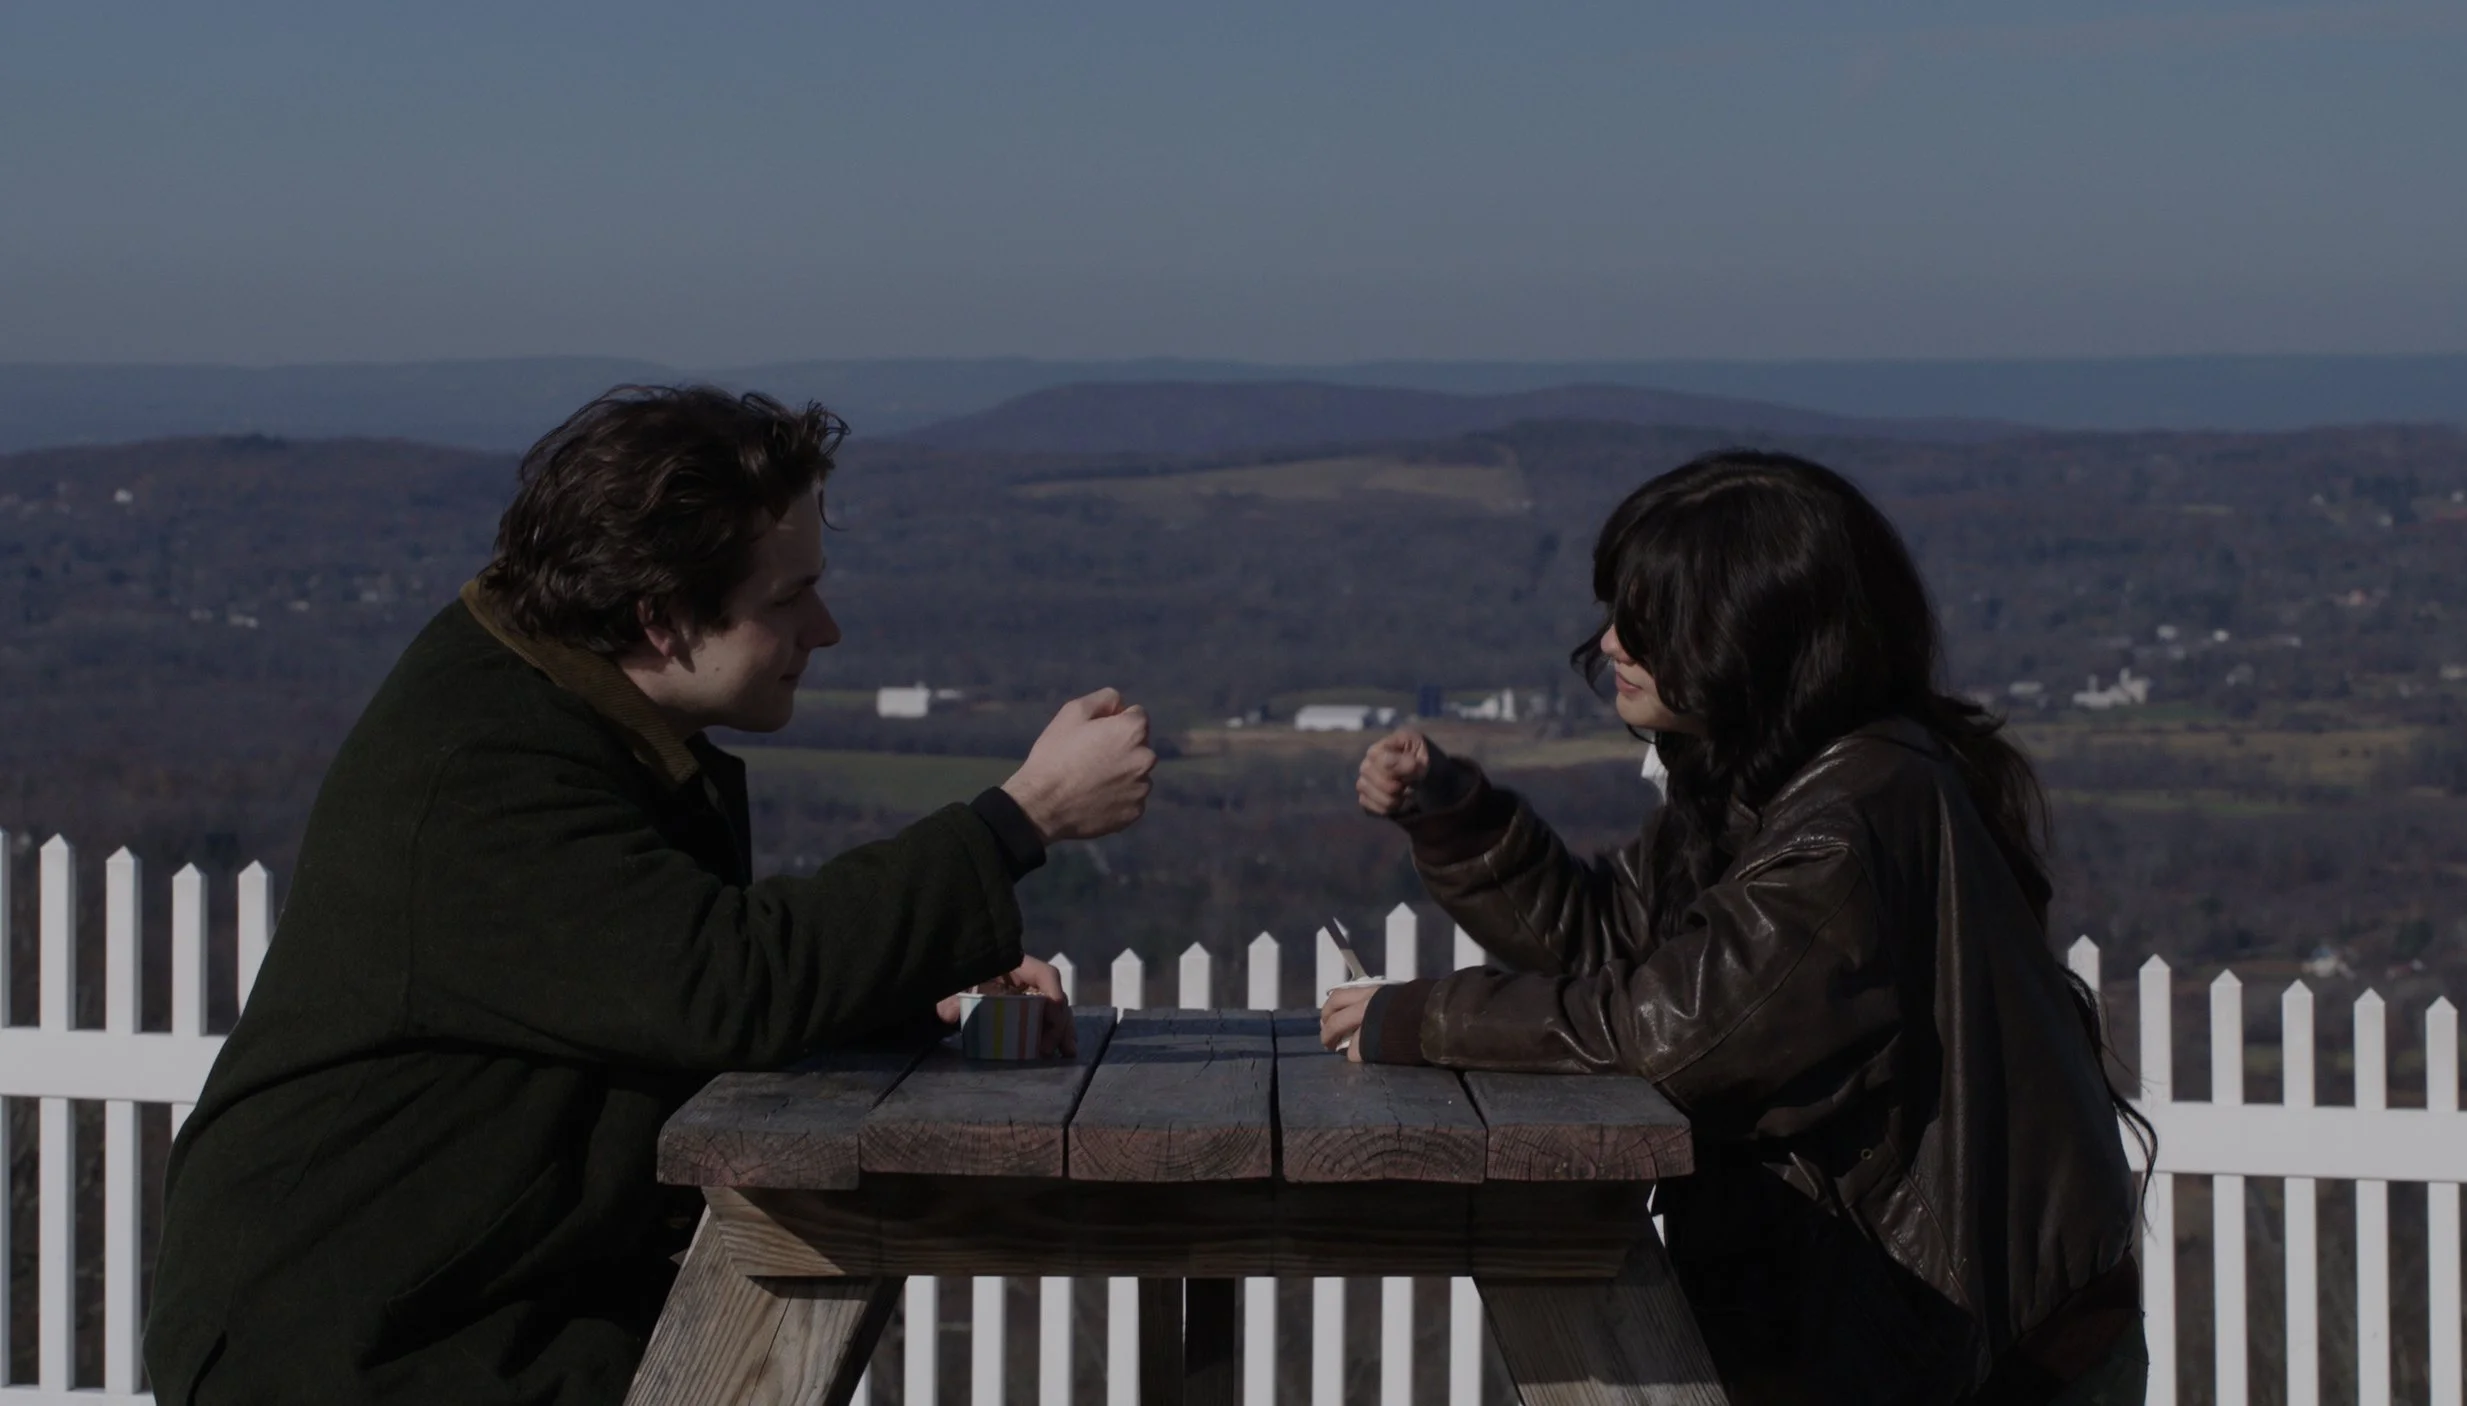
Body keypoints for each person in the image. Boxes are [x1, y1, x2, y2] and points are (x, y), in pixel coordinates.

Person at [145, 386, 1156, 1406]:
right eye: (787, 598)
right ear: (661, 620)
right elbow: (726, 981)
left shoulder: (556, 708)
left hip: (465, 1308)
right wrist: (1019, 819)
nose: (826, 626)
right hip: (349, 1347)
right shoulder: (483, 772)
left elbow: (651, 979)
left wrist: (908, 989)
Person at [1326, 450, 2150, 1404]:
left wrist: (1415, 1020)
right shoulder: (1777, 786)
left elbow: (1674, 1032)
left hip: (1984, 1355)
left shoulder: (1850, 818)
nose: (1611, 645)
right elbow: (1610, 944)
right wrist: (1457, 815)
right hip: (1905, 1327)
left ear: (1748, 638)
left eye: (1650, 621)